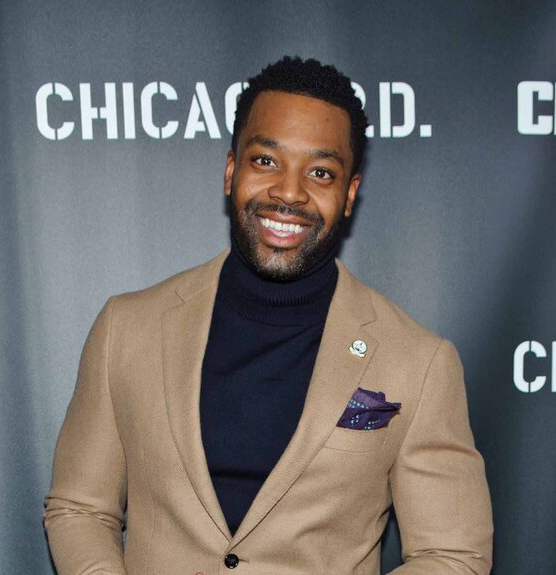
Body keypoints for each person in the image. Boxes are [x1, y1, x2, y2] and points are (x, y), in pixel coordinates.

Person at [44, 56, 493, 575]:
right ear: (231, 171)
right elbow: (79, 508)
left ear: (349, 195)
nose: (289, 192)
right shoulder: (127, 328)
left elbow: (452, 555)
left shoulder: (418, 361)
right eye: (266, 161)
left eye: (320, 172)